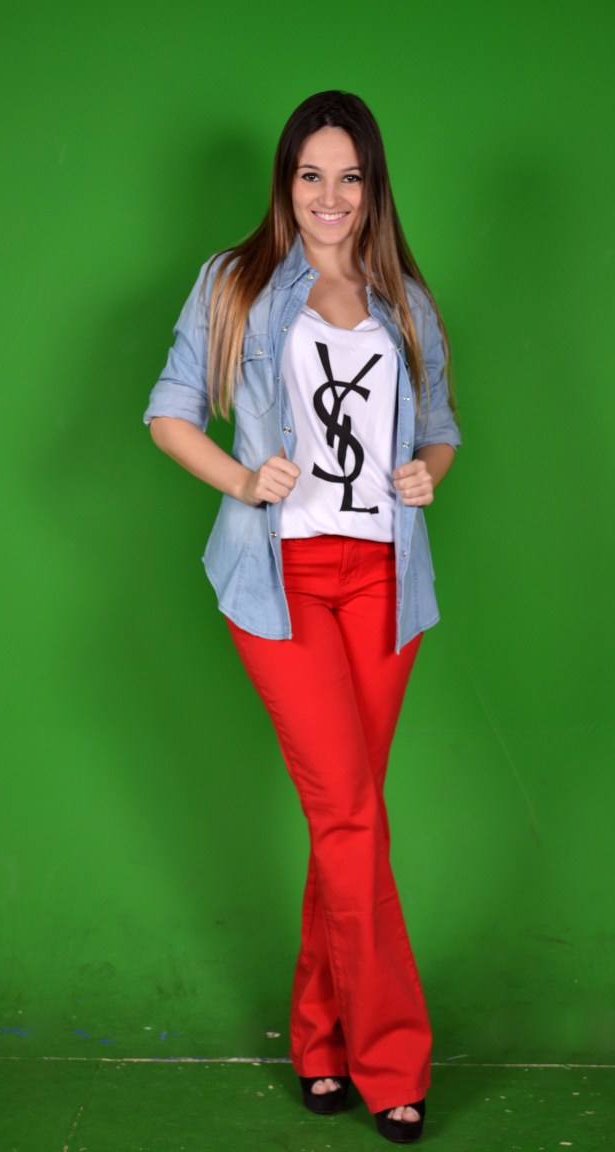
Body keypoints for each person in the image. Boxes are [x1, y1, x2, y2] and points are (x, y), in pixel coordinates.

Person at [144, 90, 460, 1144]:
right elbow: (168, 412)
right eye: (311, 175)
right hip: (278, 581)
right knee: (352, 817)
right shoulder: (235, 284)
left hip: (384, 580)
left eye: (350, 177)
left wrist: (426, 470)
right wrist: (244, 480)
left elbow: (441, 428)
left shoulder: (405, 301)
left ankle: (319, 1042)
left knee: (347, 815)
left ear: (373, 187)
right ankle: (393, 1058)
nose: (330, 197)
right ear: (286, 182)